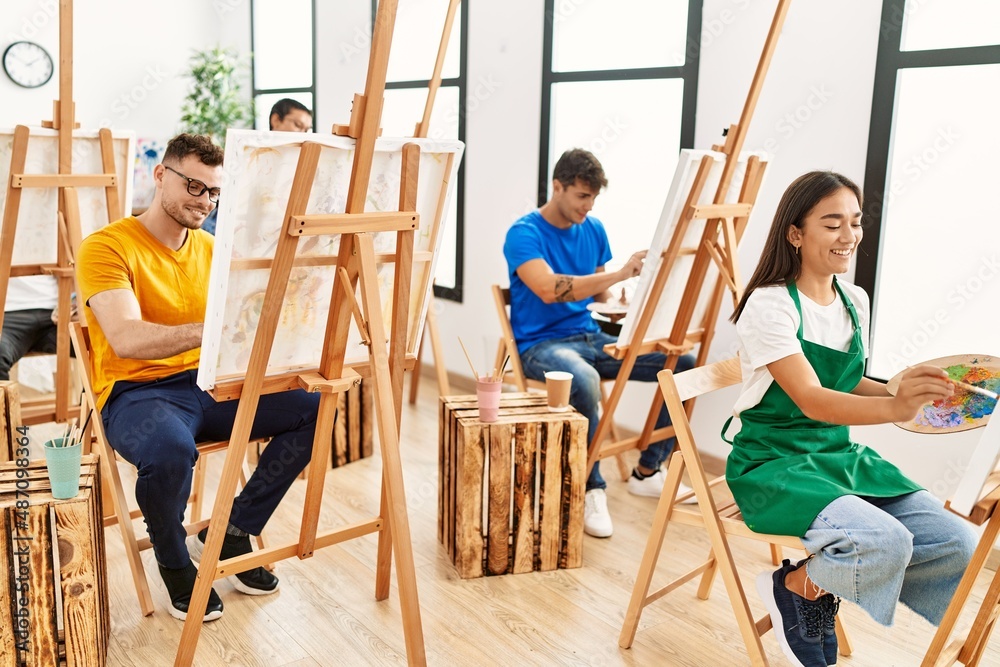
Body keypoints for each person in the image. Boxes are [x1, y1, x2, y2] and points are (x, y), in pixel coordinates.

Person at [724, 171, 977, 666]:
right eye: (832, 223)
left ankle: (810, 585)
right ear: (796, 234)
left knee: (956, 540)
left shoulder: (852, 300)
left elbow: (844, 382)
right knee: (884, 539)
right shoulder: (770, 304)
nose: (849, 236)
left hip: (835, 457)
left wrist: (897, 391)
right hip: (774, 464)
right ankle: (798, 586)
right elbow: (813, 398)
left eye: (856, 223)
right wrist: (893, 408)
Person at [77, 133, 321, 623]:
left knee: (313, 408)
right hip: (137, 393)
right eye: (194, 186)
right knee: (169, 451)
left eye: (213, 193)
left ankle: (232, 529)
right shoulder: (106, 246)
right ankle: (173, 559)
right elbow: (126, 338)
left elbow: (241, 329)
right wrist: (213, 327)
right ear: (161, 175)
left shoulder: (212, 249)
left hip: (209, 385)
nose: (205, 201)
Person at [503, 148, 695, 539]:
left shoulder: (594, 229)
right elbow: (548, 289)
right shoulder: (523, 233)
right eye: (580, 196)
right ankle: (591, 487)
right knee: (584, 380)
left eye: (593, 198)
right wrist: (621, 272)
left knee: (683, 364)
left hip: (590, 335)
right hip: (540, 346)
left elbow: (599, 299)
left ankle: (647, 470)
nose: (587, 207)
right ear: (557, 187)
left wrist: (623, 307)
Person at [201, 98, 313, 235]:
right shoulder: (246, 151)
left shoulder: (299, 162)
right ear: (276, 120)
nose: (302, 134)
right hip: (228, 227)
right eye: (297, 125)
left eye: (306, 130)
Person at [0, 276, 58, 380]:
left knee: (93, 342)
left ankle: (88, 396)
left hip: (56, 311)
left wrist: (73, 298)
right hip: (7, 314)